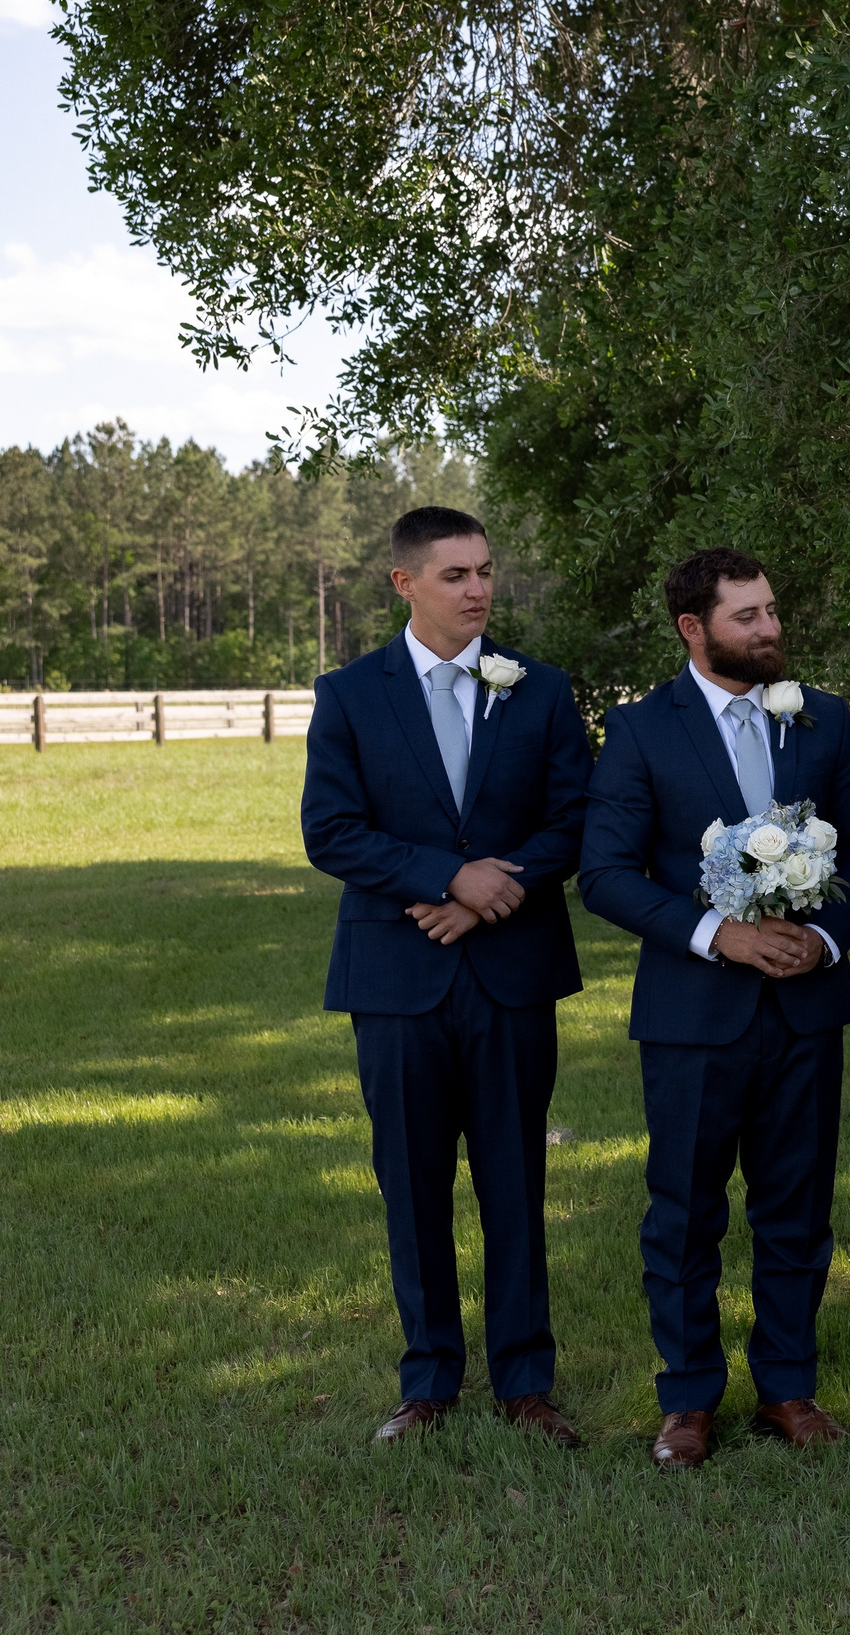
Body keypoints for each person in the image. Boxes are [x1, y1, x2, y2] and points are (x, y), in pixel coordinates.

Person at [579, 548, 850, 1468]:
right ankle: (687, 1400)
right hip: (692, 1014)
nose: (770, 629)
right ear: (694, 628)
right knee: (683, 1213)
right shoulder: (642, 729)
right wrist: (721, 935)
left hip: (806, 1007)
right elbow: (605, 874)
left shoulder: (822, 718)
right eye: (747, 616)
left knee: (798, 1207)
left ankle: (789, 1388)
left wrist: (823, 938)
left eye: (771, 611)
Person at [300, 505, 593, 1447]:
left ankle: (526, 1382)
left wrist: (489, 893)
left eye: (486, 571)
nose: (478, 589)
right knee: (413, 1182)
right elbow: (330, 831)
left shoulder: (541, 690)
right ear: (405, 582)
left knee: (515, 1178)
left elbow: (575, 820)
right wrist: (443, 878)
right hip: (396, 978)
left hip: (511, 971)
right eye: (457, 574)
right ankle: (427, 1382)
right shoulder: (350, 694)